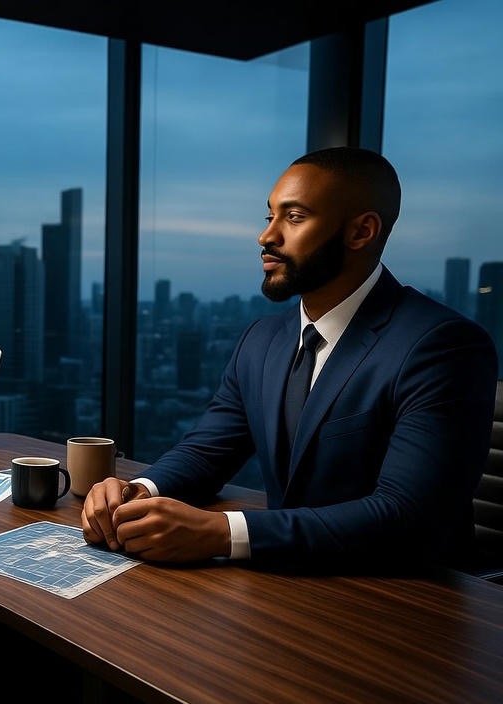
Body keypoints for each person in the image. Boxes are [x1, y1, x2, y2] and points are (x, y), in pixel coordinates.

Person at [83, 146, 498, 573]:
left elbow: (407, 515)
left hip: (401, 601)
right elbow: (207, 452)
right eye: (270, 217)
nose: (267, 236)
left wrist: (221, 533)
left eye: (294, 218)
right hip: (284, 586)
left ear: (361, 232)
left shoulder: (443, 346)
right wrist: (138, 490)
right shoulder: (261, 340)